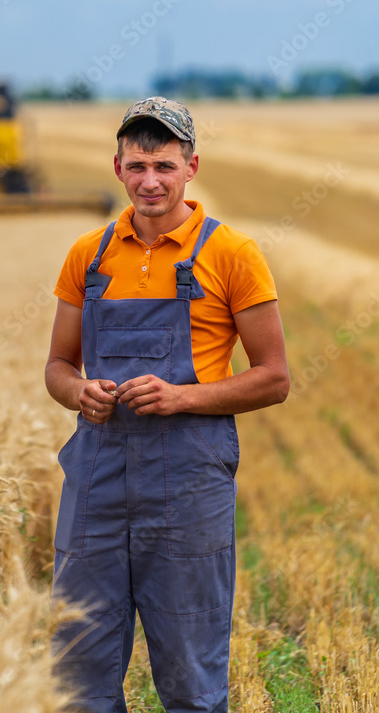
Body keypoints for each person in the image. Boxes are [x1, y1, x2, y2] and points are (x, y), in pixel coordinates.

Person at [45, 97, 289, 713]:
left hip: (187, 480)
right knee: (78, 673)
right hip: (96, 477)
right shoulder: (88, 255)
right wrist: (81, 393)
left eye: (163, 165)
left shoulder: (232, 254)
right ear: (118, 169)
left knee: (190, 676)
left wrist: (181, 397)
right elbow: (57, 368)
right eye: (136, 167)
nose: (149, 181)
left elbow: (274, 378)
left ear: (191, 166)